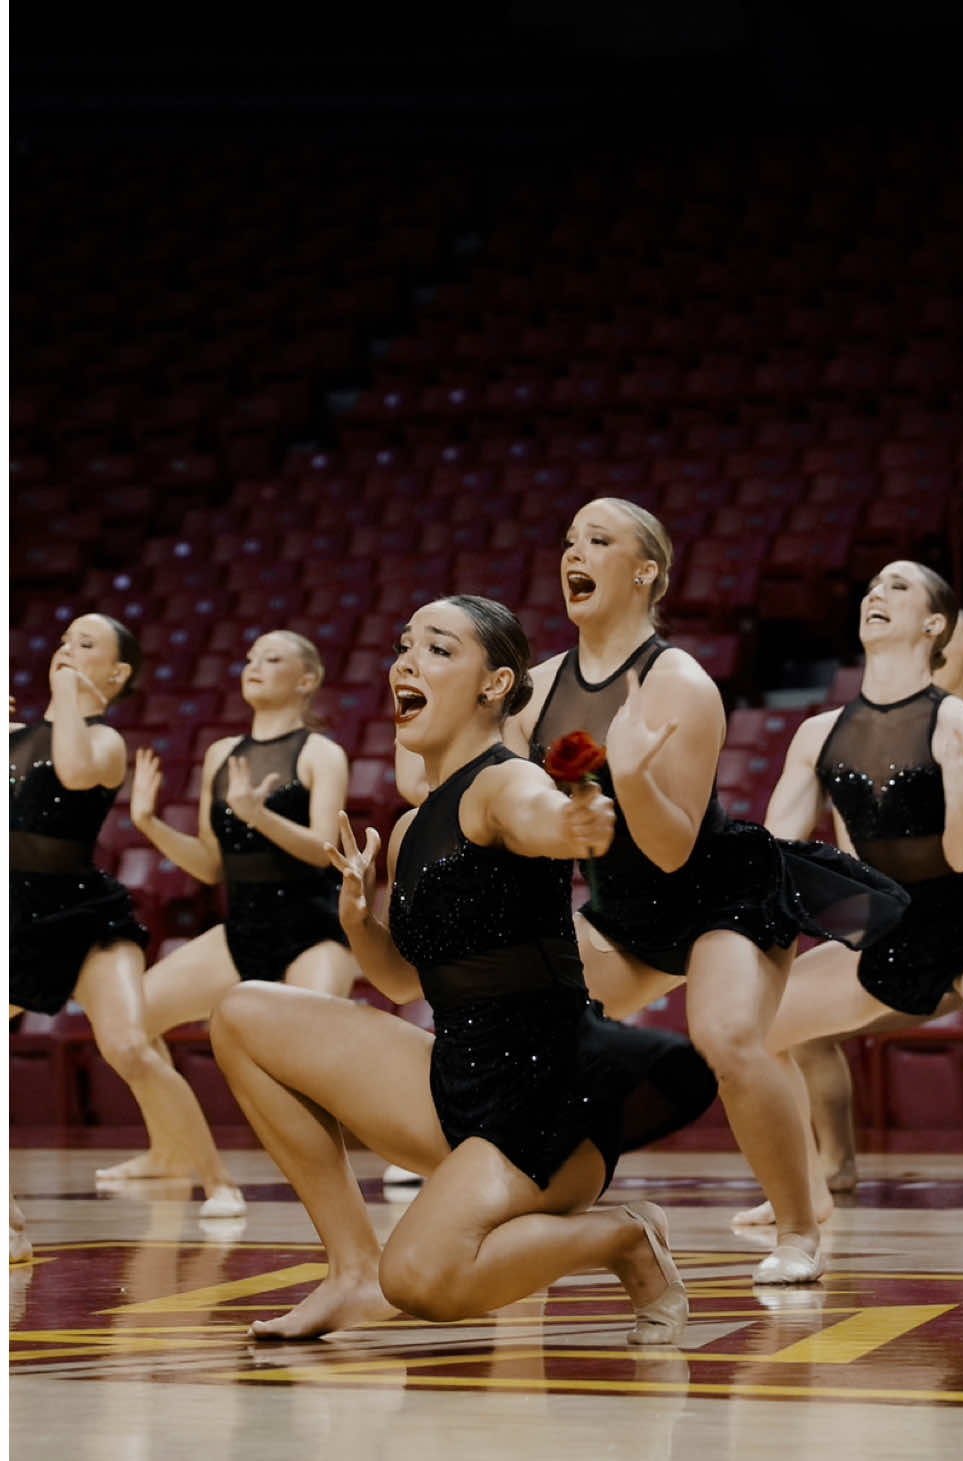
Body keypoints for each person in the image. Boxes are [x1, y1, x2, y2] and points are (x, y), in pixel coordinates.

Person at [210, 595, 718, 1341]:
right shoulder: (412, 825)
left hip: (546, 1106)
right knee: (241, 1013)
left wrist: (575, 820)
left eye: (438, 649)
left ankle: (623, 1235)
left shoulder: (504, 784)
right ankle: (350, 1271)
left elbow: (543, 816)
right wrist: (357, 922)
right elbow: (400, 982)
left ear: (494, 684)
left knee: (418, 1279)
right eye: (403, 646)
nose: (406, 663)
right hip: (456, 1081)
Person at [490, 498, 907, 1284]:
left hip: (721, 896)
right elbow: (513, 812)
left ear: (644, 571)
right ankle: (532, 1198)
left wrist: (631, 774)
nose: (573, 551)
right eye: (569, 538)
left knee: (727, 1038)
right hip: (623, 913)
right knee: (521, 1011)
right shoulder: (537, 689)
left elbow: (672, 846)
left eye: (598, 539)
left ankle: (798, 1228)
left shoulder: (679, 681)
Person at [745, 599, 963, 1211]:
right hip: (892, 936)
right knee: (770, 1019)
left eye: (944, 644)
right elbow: (786, 850)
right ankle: (827, 1170)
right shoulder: (846, 741)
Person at [9, 613, 245, 1258]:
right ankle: (9, 1219)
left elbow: (72, 770)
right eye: (63, 641)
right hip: (16, 917)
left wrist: (64, 693)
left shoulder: (105, 740)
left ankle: (218, 1181)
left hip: (83, 917)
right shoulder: (15, 737)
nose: (65, 651)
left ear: (115, 674)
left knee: (131, 1048)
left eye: (84, 645)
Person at [97, 629, 361, 1185]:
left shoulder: (321, 753)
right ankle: (171, 1151)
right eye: (249, 657)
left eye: (272, 658)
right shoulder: (221, 754)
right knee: (129, 1021)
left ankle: (396, 1153)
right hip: (242, 928)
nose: (253, 665)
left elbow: (325, 849)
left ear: (307, 679)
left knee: (310, 1055)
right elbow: (211, 865)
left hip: (313, 929)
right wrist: (149, 824)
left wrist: (257, 815)